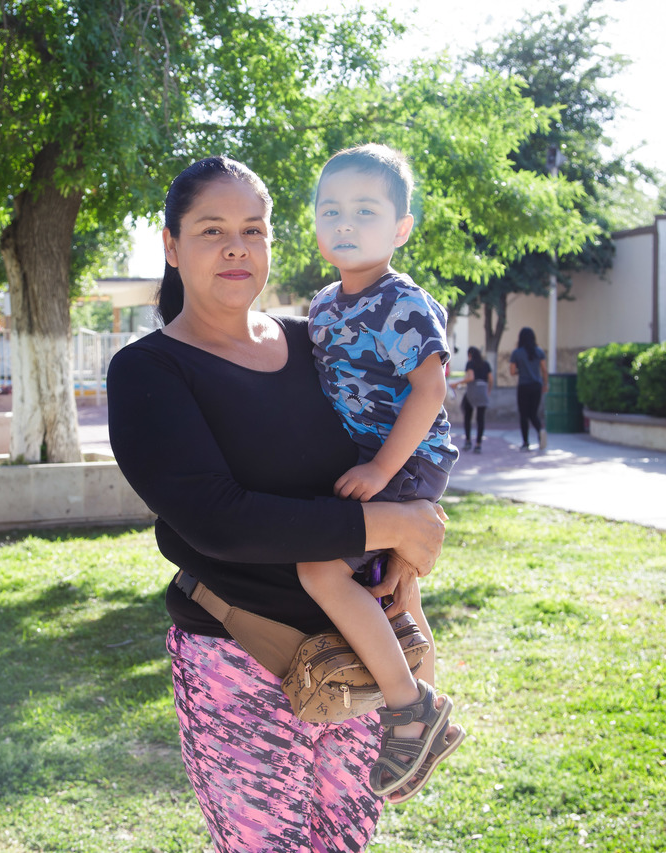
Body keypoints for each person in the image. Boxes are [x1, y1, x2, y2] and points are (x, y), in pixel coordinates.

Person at [107, 156, 452, 851]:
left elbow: (400, 430)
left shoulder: (316, 340)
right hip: (236, 658)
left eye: (253, 229)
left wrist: (408, 537)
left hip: (356, 659)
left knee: (344, 842)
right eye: (211, 230)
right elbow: (222, 521)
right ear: (172, 246)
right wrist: (393, 523)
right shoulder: (149, 370)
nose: (236, 247)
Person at [297, 143, 464, 800]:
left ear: (401, 228)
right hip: (368, 463)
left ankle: (410, 706)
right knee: (391, 588)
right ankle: (423, 701)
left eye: (365, 210)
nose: (345, 222)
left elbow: (430, 390)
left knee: (319, 569)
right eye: (331, 209)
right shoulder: (322, 305)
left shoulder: (404, 303)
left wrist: (379, 468)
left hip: (409, 459)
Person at [509, 326, 549, 450]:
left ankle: (525, 443)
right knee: (533, 413)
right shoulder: (539, 351)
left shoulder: (517, 353)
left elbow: (512, 371)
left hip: (524, 386)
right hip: (536, 385)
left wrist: (521, 371)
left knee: (524, 415)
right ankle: (540, 430)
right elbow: (544, 370)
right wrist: (545, 384)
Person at [451, 346, 493, 453]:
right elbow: (491, 379)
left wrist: (456, 383)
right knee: (480, 419)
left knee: (467, 417)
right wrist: (488, 391)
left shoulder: (470, 363)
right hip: (483, 391)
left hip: (472, 391)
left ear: (470, 354)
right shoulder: (486, 364)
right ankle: (478, 444)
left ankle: (468, 441)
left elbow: (471, 377)